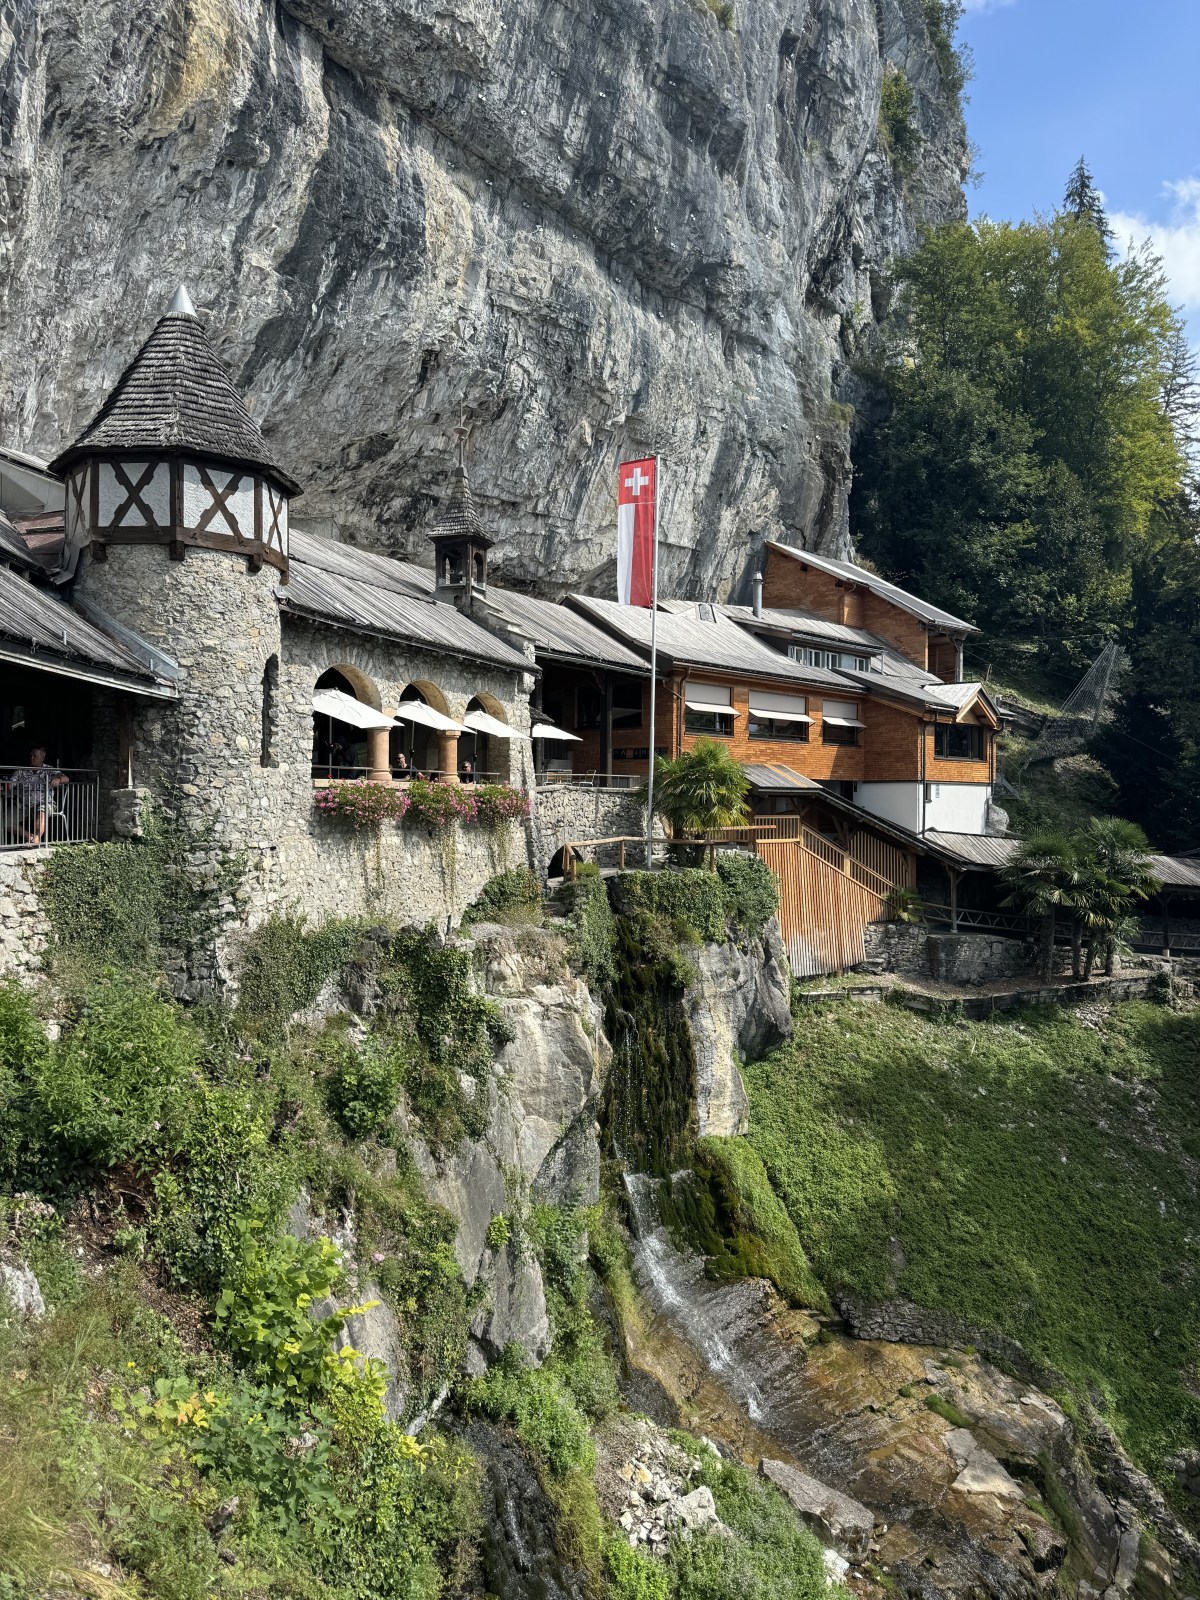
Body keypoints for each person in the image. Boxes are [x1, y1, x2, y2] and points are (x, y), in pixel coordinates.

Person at [7, 747, 67, 844]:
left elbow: (66, 778)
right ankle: (30, 837)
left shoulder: (49, 770)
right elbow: (10, 783)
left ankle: (36, 838)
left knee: (42, 808)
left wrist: (58, 779)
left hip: (45, 804)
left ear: (42, 758)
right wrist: (6, 786)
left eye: (35, 756)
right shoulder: (21, 771)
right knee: (5, 821)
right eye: (31, 755)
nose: (32, 758)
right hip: (23, 806)